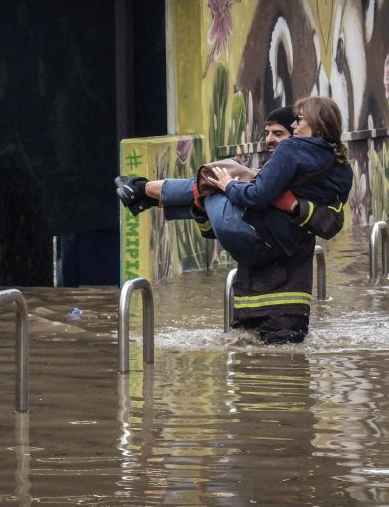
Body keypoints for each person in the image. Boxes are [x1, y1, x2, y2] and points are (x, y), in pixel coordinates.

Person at [115, 97, 352, 343]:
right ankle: (145, 194)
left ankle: (143, 192)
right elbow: (333, 221)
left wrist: (230, 187)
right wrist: (297, 208)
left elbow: (257, 196)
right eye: (269, 132)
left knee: (210, 183)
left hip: (254, 248)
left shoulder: (290, 152)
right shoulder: (341, 169)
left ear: (317, 124)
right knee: (212, 186)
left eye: (297, 122)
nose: (294, 126)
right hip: (280, 295)